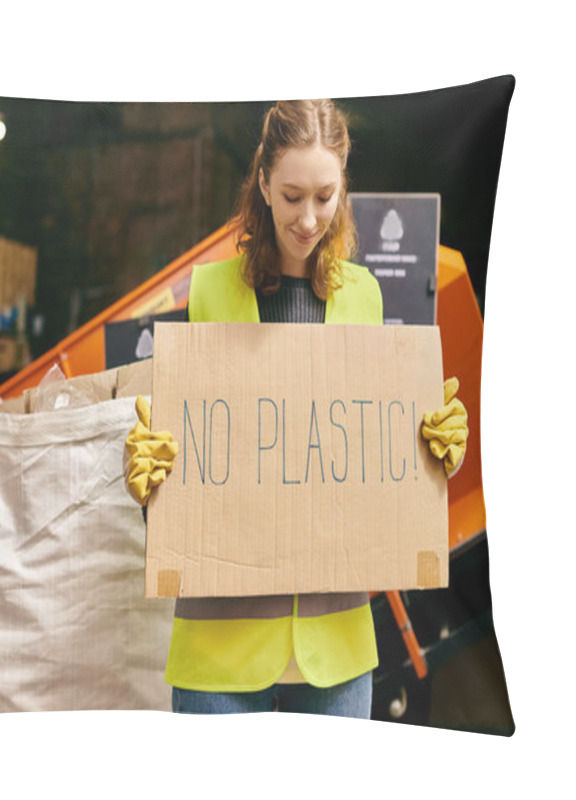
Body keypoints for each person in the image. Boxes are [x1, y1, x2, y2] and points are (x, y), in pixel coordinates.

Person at [124, 99, 468, 717]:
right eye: (291, 197)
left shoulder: (364, 297)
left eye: (325, 196)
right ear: (261, 183)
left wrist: (430, 451)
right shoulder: (210, 292)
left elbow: (370, 459)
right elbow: (194, 459)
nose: (309, 219)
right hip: (220, 648)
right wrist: (152, 471)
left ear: (343, 187)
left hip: (335, 647)